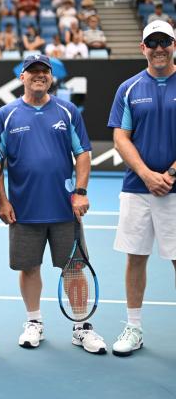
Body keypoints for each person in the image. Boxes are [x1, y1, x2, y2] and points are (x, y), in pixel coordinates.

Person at [0, 53, 106, 355]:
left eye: (44, 71)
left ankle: (81, 326)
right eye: (33, 71)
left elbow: (82, 154)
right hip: (23, 210)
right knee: (28, 268)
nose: (39, 75)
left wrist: (80, 191)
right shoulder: (6, 115)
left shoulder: (68, 112)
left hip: (65, 210)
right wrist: (1, 200)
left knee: (74, 268)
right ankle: (33, 322)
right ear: (22, 77)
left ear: (51, 77)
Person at [107, 21, 176, 356]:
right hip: (138, 188)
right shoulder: (129, 88)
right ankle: (134, 327)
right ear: (143, 48)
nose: (159, 47)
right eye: (153, 42)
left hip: (175, 192)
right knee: (136, 257)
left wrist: (171, 173)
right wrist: (148, 174)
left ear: (174, 44)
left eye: (165, 41)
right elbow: (121, 137)